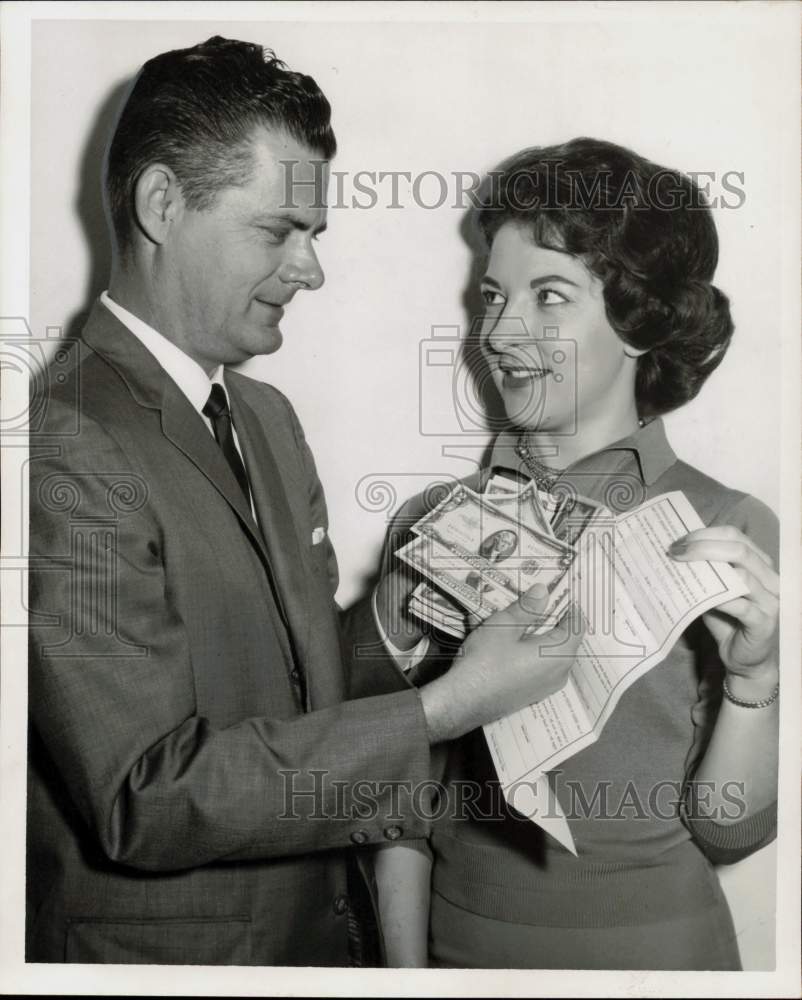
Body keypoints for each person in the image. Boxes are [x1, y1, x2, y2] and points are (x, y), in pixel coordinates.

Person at [26, 38, 584, 966]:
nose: (311, 269)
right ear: (161, 204)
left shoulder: (264, 415)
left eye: (315, 234)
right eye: (279, 230)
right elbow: (145, 798)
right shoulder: (61, 445)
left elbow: (303, 682)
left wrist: (407, 621)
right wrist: (444, 711)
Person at [369, 138, 780, 969]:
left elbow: (730, 829)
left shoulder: (723, 527)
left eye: (548, 296)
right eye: (492, 297)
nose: (501, 332)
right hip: (460, 954)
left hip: (658, 961)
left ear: (637, 323)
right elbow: (392, 804)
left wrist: (753, 685)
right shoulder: (432, 523)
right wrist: (404, 981)